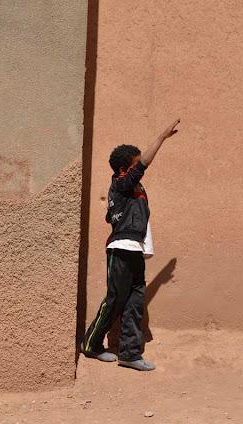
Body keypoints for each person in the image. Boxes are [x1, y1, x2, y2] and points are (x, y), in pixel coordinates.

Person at [81, 119, 181, 371]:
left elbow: (123, 216)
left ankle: (129, 354)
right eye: (136, 164)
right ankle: (91, 345)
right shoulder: (120, 182)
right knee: (115, 299)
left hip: (134, 249)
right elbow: (141, 168)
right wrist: (160, 137)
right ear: (125, 168)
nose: (140, 168)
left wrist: (146, 247)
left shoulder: (131, 189)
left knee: (135, 302)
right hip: (121, 249)